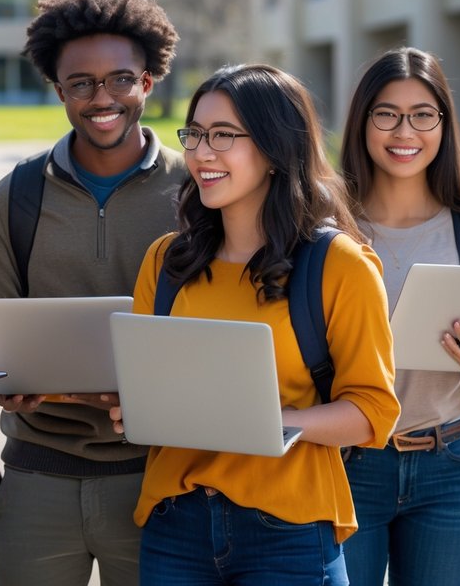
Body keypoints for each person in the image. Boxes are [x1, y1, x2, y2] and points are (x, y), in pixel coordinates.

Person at [118, 64, 401, 585]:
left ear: (275, 148)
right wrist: (134, 409)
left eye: (224, 135)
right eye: (196, 134)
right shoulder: (166, 260)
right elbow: (148, 384)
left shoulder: (340, 265)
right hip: (175, 524)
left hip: (289, 532)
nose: (202, 152)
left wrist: (277, 424)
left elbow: (373, 411)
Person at [0, 0, 185, 585]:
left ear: (148, 81)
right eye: (81, 83)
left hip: (161, 476)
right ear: (59, 90)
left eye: (121, 78)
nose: (103, 97)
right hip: (38, 476)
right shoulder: (16, 196)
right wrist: (6, 386)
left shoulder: (198, 194)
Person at [337, 47, 460, 586]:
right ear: (363, 122)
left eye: (423, 114)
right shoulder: (325, 227)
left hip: (453, 466)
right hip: (350, 463)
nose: (405, 131)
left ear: (443, 123)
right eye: (387, 114)